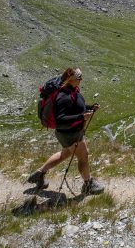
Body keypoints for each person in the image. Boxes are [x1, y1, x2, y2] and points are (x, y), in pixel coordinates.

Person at [27, 67, 105, 195]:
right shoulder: (64, 96)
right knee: (83, 156)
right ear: (71, 79)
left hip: (68, 133)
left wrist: (90, 107)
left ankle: (39, 174)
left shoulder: (72, 91)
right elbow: (61, 119)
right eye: (79, 78)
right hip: (70, 133)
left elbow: (76, 108)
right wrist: (82, 117)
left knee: (65, 154)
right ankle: (88, 184)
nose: (81, 80)